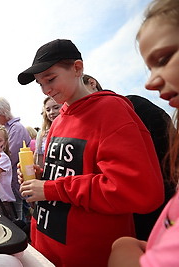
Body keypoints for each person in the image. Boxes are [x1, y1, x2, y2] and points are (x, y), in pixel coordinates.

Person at [17, 39, 164, 266]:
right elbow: (69, 174)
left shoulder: (112, 110)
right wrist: (40, 177)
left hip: (88, 254)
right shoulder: (58, 121)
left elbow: (136, 191)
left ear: (77, 68)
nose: (46, 90)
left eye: (51, 79)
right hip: (44, 248)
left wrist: (50, 188)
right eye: (40, 84)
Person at [109, 0, 179, 265]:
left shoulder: (131, 107)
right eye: (149, 68)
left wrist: (123, 248)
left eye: (163, 60)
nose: (150, 82)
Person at [83, 74, 176, 241]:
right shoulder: (85, 124)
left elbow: (166, 150)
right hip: (116, 213)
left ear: (92, 83)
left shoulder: (134, 105)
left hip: (153, 207)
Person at [0, 97, 31, 222]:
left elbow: (9, 156)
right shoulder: (8, 128)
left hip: (13, 185)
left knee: (16, 221)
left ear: (2, 112)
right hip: (7, 185)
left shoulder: (16, 128)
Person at [34, 96, 62, 166]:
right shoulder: (41, 134)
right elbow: (39, 159)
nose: (52, 112)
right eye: (48, 110)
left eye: (56, 108)